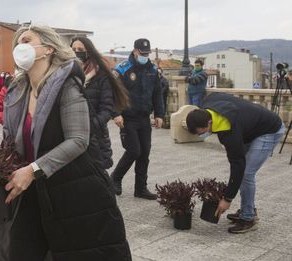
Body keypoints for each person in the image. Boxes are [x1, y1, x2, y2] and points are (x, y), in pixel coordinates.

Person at [1, 24, 132, 261]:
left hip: (74, 192)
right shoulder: (17, 92)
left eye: (26, 40)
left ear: (48, 48)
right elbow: (11, 141)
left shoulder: (67, 85)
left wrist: (33, 169)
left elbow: (78, 140)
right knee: (17, 260)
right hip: (32, 194)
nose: (20, 46)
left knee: (82, 260)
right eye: (17, 43)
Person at [186, 92, 285, 234]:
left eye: (202, 132)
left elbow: (237, 164)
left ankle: (248, 218)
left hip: (269, 130)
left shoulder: (229, 131)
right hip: (249, 127)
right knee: (242, 171)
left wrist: (227, 198)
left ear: (209, 122)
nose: (202, 135)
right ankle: (248, 209)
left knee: (246, 174)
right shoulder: (206, 104)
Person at [111, 38, 164, 199]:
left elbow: (157, 94)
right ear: (135, 51)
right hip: (127, 118)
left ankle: (140, 188)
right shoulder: (122, 69)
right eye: (142, 53)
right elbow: (112, 93)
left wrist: (160, 114)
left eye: (147, 53)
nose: (145, 56)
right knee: (134, 150)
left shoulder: (152, 70)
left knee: (144, 154)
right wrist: (115, 113)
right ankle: (114, 178)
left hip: (144, 118)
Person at [70, 36, 129, 171]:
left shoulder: (101, 75)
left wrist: (91, 127)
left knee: (96, 173)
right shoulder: (68, 74)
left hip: (95, 134)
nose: (76, 52)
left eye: (80, 49)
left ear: (89, 51)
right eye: (73, 49)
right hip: (72, 134)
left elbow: (107, 108)